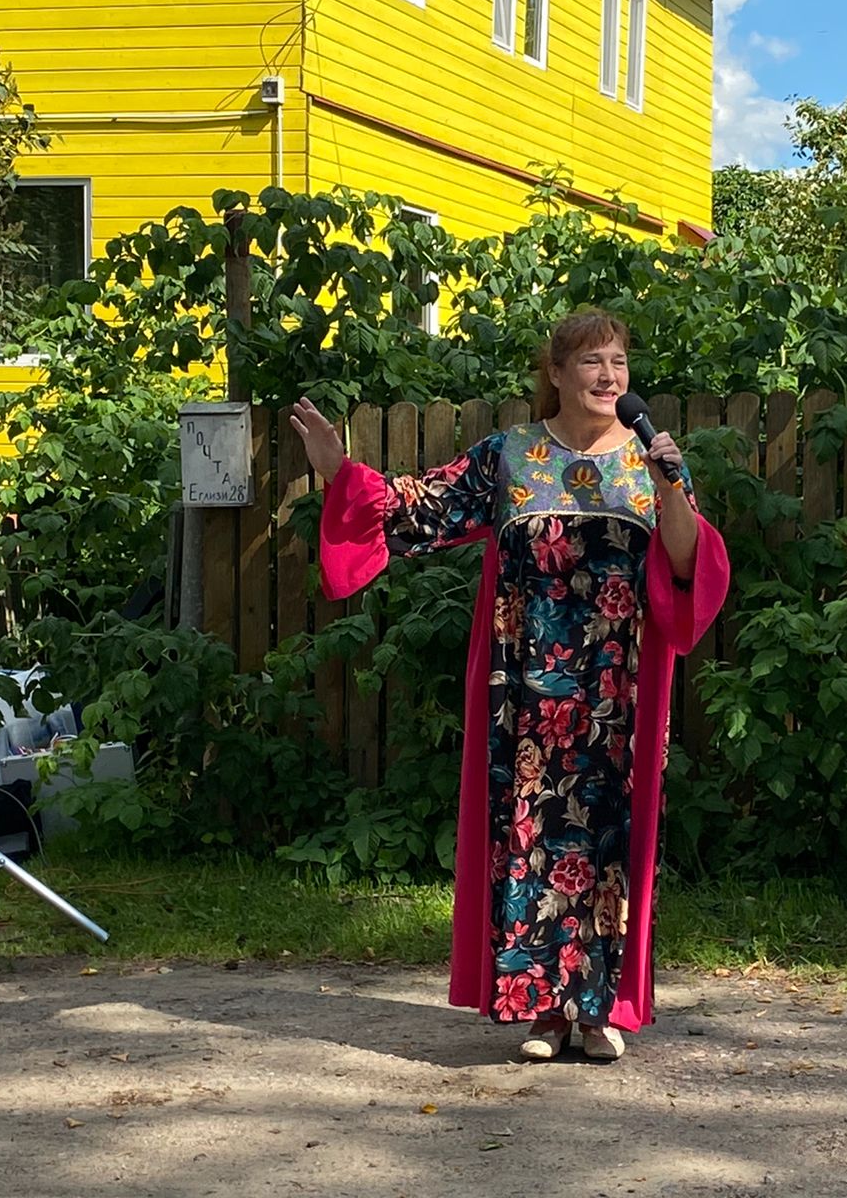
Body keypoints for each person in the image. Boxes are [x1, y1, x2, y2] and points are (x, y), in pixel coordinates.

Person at [288, 309, 729, 1061]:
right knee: (528, 836)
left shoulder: (647, 459)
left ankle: (598, 1011)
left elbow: (687, 565)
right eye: (590, 361)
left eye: (618, 362)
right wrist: (339, 472)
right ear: (555, 373)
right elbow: (418, 505)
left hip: (616, 692)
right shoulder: (510, 455)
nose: (608, 376)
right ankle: (544, 1011)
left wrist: (673, 488)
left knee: (610, 841)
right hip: (522, 691)